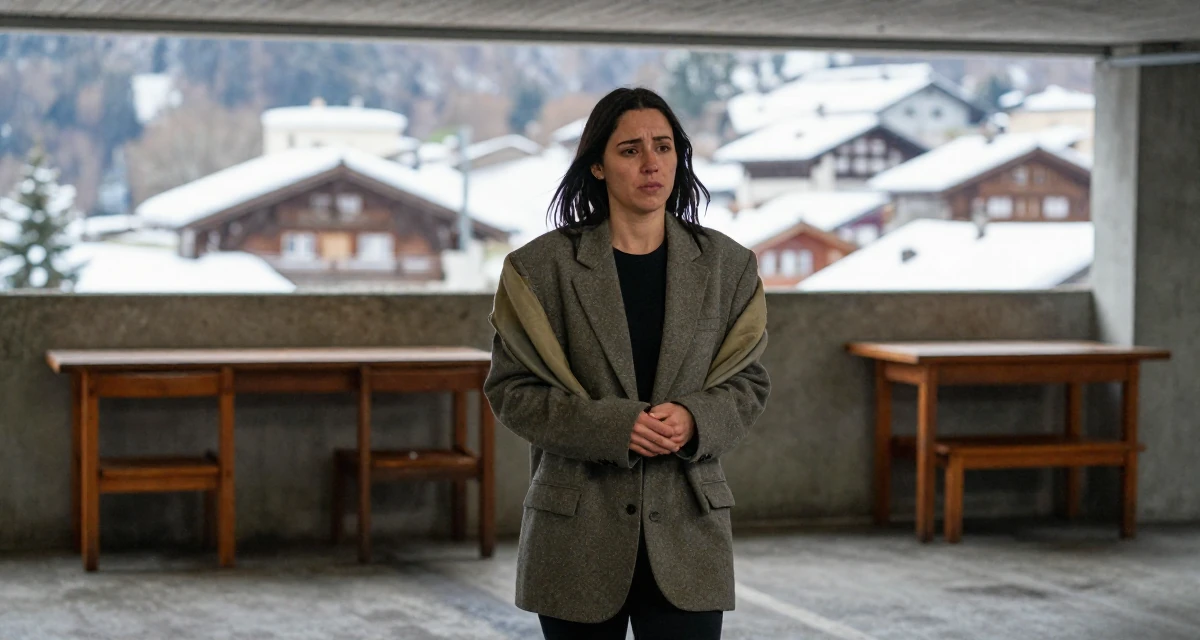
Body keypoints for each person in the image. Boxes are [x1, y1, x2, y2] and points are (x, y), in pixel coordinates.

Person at [482, 86, 771, 640]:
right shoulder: (539, 270)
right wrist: (616, 427)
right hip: (576, 533)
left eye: (663, 147)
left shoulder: (728, 268)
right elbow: (511, 391)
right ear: (596, 164)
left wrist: (694, 419)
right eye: (630, 149)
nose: (651, 163)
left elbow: (749, 381)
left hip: (689, 529)